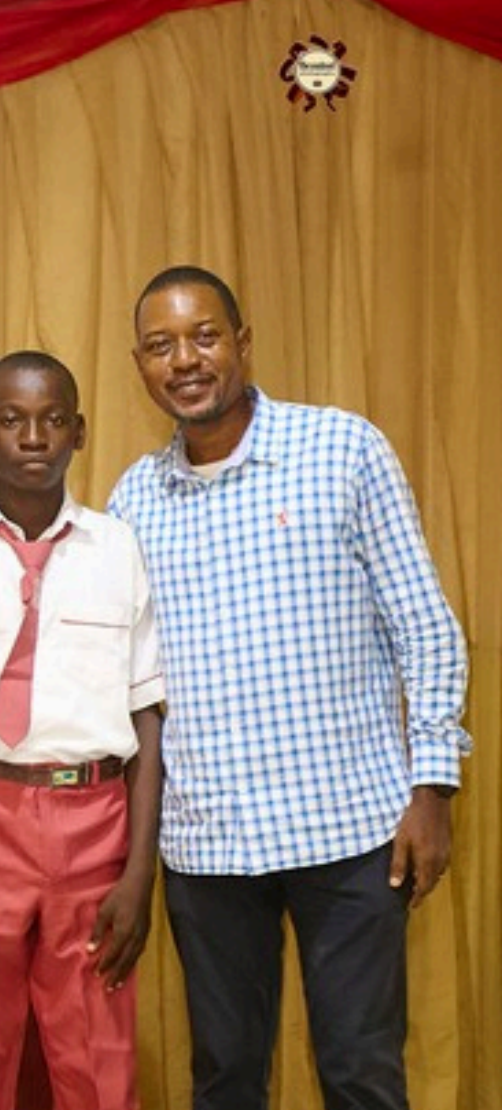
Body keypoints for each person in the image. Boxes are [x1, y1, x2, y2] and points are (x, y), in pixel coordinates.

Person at [107, 266, 469, 1110]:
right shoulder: (133, 501)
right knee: (227, 1078)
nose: (185, 360)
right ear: (139, 365)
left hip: (350, 830)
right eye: (161, 346)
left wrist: (433, 787)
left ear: (242, 343)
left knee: (361, 1073)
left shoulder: (342, 450)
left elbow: (426, 627)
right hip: (209, 846)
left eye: (204, 336)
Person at [0, 353, 164, 1110]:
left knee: (95, 1052)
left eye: (52, 420)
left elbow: (147, 719)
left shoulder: (116, 549)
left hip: (95, 821)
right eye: (12, 421)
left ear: (78, 432)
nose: (32, 438)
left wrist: (139, 871)